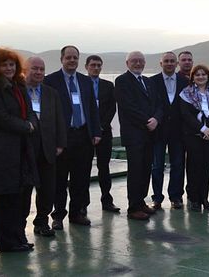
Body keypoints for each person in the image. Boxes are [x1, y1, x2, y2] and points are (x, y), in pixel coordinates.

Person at [0, 48, 38, 252]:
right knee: (4, 198)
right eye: (4, 65)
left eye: (12, 64)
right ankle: (7, 243)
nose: (8, 68)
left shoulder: (19, 86)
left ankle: (19, 237)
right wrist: (26, 127)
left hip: (21, 150)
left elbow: (30, 111)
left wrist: (31, 123)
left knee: (20, 197)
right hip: (1, 152)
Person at [44, 45, 100, 229]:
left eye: (75, 58)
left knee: (81, 178)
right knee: (59, 179)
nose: (72, 61)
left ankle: (77, 213)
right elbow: (47, 112)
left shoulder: (85, 81)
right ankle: (58, 215)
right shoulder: (51, 81)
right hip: (63, 137)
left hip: (83, 136)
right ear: (62, 59)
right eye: (68, 57)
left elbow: (92, 108)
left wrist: (96, 132)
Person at [115, 51, 163, 221]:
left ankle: (141, 201)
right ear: (127, 63)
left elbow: (158, 103)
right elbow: (128, 106)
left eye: (140, 61)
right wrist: (147, 121)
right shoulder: (121, 81)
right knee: (135, 171)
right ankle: (133, 207)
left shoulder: (148, 82)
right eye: (134, 61)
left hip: (150, 133)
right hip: (134, 133)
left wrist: (156, 118)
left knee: (145, 169)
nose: (138, 64)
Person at [24, 57, 66, 238]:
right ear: (25, 69)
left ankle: (42, 222)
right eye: (35, 69)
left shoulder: (51, 93)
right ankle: (19, 227)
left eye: (42, 69)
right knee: (24, 190)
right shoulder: (18, 91)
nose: (39, 72)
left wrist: (60, 143)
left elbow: (59, 119)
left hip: (48, 148)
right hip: (25, 149)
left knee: (48, 189)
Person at [179, 64, 209, 212]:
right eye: (197, 75)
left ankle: (204, 197)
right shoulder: (186, 93)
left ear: (208, 76)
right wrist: (202, 128)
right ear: (193, 78)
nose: (200, 77)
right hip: (193, 135)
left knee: (205, 166)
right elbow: (186, 115)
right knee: (193, 167)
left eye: (203, 74)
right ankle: (193, 198)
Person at [150, 52, 189, 209]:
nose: (169, 63)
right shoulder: (152, 81)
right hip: (158, 130)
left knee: (178, 164)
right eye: (166, 61)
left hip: (178, 131)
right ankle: (157, 198)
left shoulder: (184, 81)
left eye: (172, 61)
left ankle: (176, 196)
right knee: (157, 165)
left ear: (177, 64)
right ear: (161, 63)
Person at [85, 55, 120, 213]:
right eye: (93, 65)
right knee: (83, 169)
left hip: (104, 132)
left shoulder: (108, 85)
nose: (96, 68)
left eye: (99, 65)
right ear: (86, 67)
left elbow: (112, 108)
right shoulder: (81, 83)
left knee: (104, 168)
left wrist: (100, 126)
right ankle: (82, 205)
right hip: (84, 133)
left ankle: (107, 200)